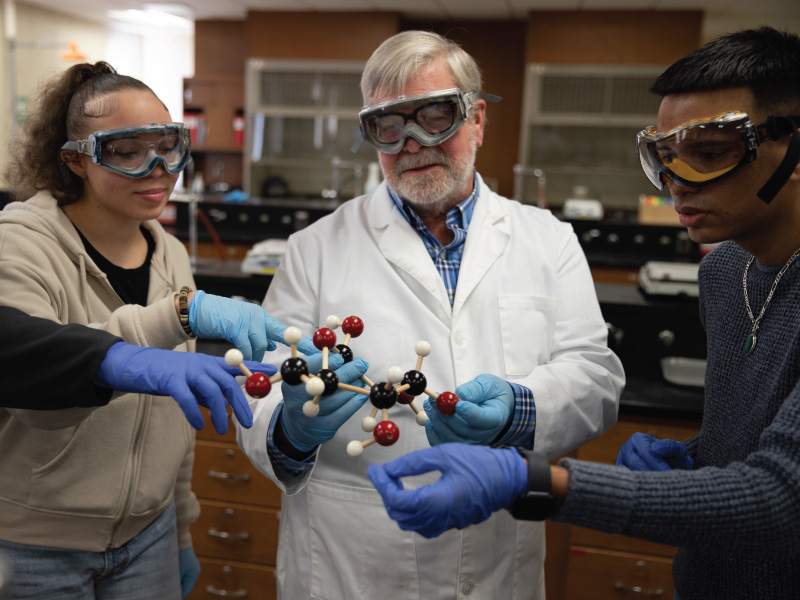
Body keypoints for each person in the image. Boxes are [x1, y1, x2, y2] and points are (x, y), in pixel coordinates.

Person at [369, 26, 800, 600]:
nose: (676, 183)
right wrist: (698, 460)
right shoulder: (724, 274)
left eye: (710, 153)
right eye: (665, 157)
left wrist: (531, 480)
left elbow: (782, 500)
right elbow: (758, 447)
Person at [235, 30, 624, 600]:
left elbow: (595, 376)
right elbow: (262, 390)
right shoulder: (314, 248)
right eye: (388, 126)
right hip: (356, 564)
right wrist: (289, 430)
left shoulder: (548, 240)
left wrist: (519, 411)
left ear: (477, 119)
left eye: (435, 116)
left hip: (497, 555)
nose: (412, 143)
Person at [0, 61, 321, 599]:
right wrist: (174, 315)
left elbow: (174, 416)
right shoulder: (22, 243)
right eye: (126, 151)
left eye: (168, 147)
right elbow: (33, 379)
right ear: (75, 160)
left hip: (149, 535)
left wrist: (180, 525)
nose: (157, 169)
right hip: (35, 545)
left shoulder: (168, 252)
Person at [0, 304, 277, 432]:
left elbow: (175, 427)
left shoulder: (169, 250)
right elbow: (32, 406)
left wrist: (181, 514)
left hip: (158, 518)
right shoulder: (15, 240)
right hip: (48, 524)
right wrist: (108, 358)